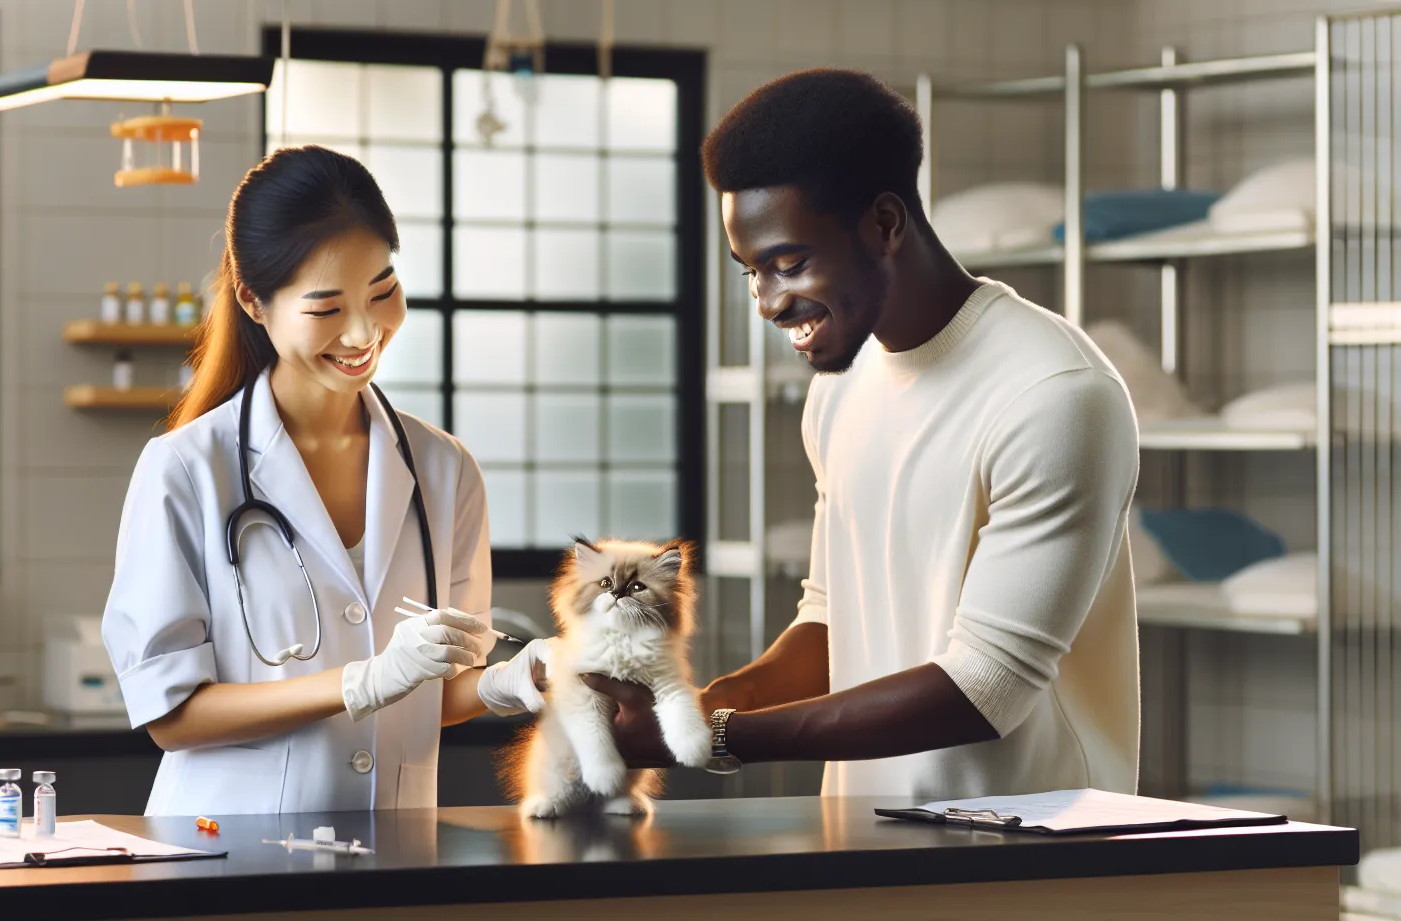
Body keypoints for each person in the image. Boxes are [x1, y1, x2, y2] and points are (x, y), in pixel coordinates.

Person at [590, 70, 1142, 803]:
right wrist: (701, 705)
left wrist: (716, 738)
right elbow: (831, 620)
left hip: (1030, 855)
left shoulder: (1055, 396)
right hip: (864, 839)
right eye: (752, 273)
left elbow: (985, 690)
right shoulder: (840, 388)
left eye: (790, 264)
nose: (769, 303)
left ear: (885, 224)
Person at [103, 146, 547, 816]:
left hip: (392, 854)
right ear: (255, 302)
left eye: (383, 292)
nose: (365, 331)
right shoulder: (187, 469)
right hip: (223, 850)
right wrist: (360, 682)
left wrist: (507, 683)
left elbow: (438, 686)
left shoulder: (444, 469)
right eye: (327, 307)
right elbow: (173, 714)